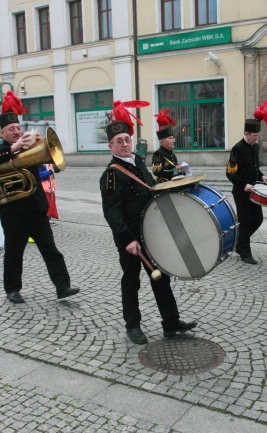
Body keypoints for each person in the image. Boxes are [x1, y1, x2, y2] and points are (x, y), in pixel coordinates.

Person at [99, 102, 197, 345]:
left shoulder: (138, 163)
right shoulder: (111, 174)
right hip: (130, 238)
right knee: (131, 282)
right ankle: (132, 325)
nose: (124, 144)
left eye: (126, 139)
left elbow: (151, 191)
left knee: (161, 278)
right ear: (110, 146)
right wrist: (127, 240)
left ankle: (171, 324)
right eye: (118, 141)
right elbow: (111, 212)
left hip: (150, 233)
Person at [0, 91, 78, 304]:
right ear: (3, 132)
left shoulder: (31, 147)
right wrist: (14, 148)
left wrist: (47, 155)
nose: (16, 132)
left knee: (51, 250)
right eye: (11, 130)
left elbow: (51, 166)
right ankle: (12, 289)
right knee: (14, 254)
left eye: (18, 128)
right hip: (13, 212)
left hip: (36, 208)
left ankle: (63, 287)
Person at [226, 101, 267, 265]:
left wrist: (262, 175)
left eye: (257, 136)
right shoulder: (237, 149)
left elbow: (254, 168)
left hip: (254, 190)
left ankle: (239, 243)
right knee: (244, 222)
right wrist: (243, 185)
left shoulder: (255, 147)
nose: (256, 138)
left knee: (257, 219)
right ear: (246, 133)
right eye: (254, 136)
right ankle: (245, 252)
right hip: (240, 191)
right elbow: (229, 173)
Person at [152, 109, 188, 183]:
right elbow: (156, 171)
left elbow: (174, 169)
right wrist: (174, 169)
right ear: (163, 142)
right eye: (170, 138)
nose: (173, 141)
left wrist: (181, 170)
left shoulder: (172, 154)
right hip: (162, 185)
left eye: (173, 138)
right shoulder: (158, 154)